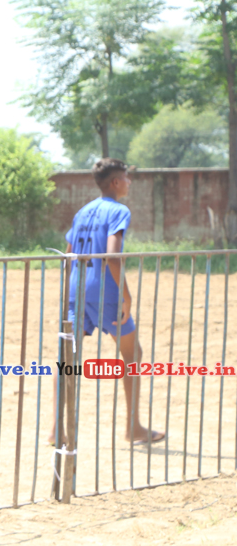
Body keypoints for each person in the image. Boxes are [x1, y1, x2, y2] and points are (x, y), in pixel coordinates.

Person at [59, 157, 165, 445]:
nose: (129, 182)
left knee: (68, 358)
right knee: (132, 354)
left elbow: (68, 254)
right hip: (105, 291)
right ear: (116, 182)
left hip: (77, 289)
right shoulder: (119, 210)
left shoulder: (82, 211)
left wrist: (70, 293)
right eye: (127, 178)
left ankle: (57, 430)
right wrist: (126, 296)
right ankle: (133, 428)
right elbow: (112, 256)